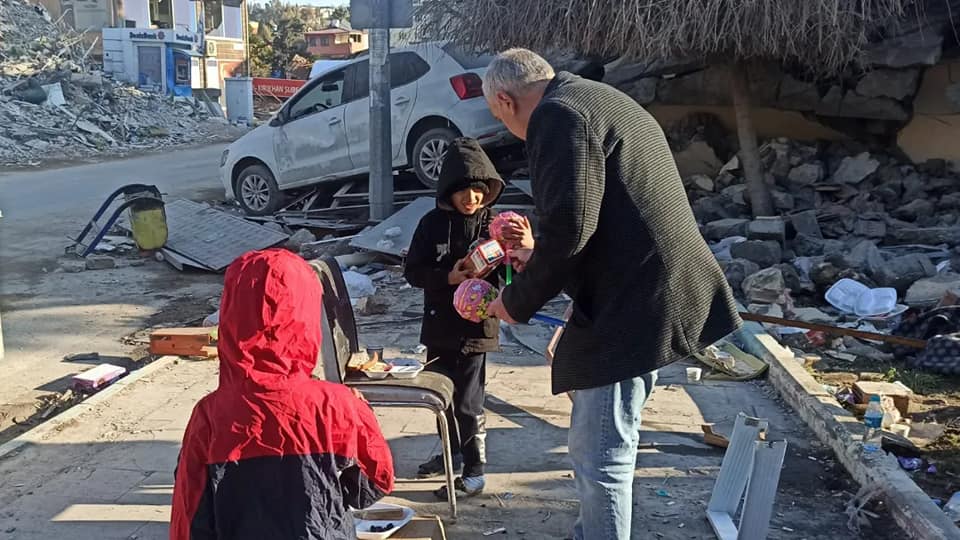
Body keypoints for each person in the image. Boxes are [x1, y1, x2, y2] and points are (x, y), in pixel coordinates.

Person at [482, 49, 742, 539]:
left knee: (601, 452)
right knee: (604, 442)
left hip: (636, 298)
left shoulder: (558, 116)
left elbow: (572, 226)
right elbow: (599, 211)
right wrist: (538, 254)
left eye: (501, 118)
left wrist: (515, 303)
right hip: (652, 285)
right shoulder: (595, 97)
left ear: (505, 99)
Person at [170, 249, 394, 540]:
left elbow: (188, 516)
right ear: (307, 316)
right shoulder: (338, 405)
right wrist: (361, 414)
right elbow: (373, 485)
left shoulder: (210, 415)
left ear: (230, 318)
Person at [403, 137, 531, 499]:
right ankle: (451, 454)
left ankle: (475, 472)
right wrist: (448, 276)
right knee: (439, 397)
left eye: (478, 191)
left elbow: (515, 276)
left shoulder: (499, 228)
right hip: (438, 326)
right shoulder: (430, 225)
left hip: (478, 330)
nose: (471, 199)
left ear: (487, 191)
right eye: (463, 192)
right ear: (448, 191)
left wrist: (516, 258)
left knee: (468, 402)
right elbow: (413, 271)